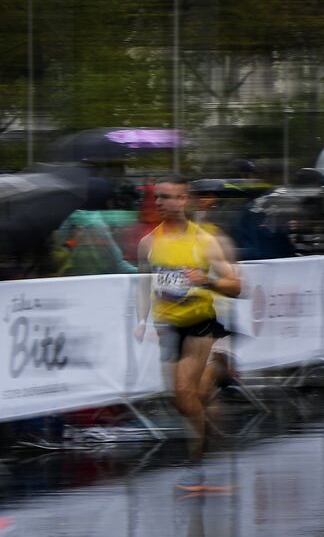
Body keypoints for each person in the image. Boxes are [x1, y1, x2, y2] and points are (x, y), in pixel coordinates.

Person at [133, 176, 242, 491]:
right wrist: (142, 319)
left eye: (169, 197)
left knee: (184, 392)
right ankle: (206, 425)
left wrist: (204, 281)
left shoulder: (205, 241)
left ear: (184, 200)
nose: (161, 203)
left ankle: (195, 465)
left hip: (200, 324)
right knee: (179, 400)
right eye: (158, 197)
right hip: (168, 327)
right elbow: (143, 285)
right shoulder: (149, 243)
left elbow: (236, 286)